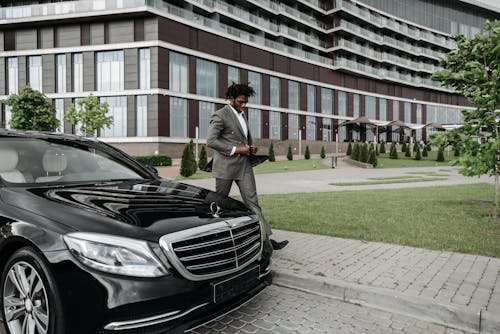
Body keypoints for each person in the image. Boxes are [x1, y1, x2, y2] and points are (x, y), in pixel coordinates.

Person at [207, 82, 288, 250]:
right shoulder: (220, 115)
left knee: (253, 203)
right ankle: (211, 240)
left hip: (244, 167)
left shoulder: (242, 116)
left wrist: (249, 149)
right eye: (240, 102)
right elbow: (211, 141)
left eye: (245, 102)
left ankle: (266, 243)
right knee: (218, 205)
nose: (243, 105)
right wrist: (238, 149)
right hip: (225, 167)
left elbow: (239, 139)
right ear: (231, 99)